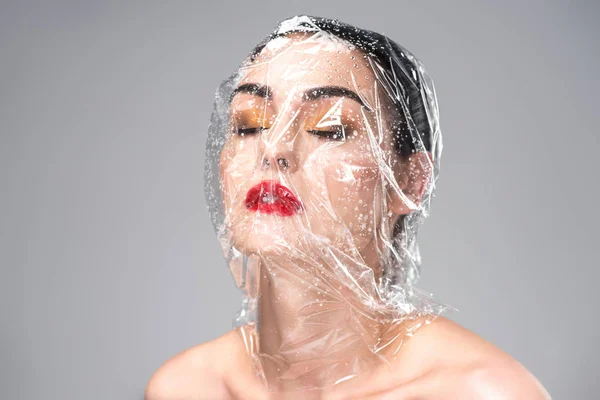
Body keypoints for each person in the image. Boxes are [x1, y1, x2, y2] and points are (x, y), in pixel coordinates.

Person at [145, 15, 551, 399]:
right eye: (249, 125)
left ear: (409, 181)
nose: (273, 149)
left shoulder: (479, 392)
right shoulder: (187, 388)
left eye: (330, 129)